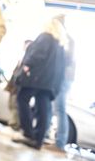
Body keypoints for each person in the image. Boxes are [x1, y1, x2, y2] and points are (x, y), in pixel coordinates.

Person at [13, 18, 66, 150]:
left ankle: (29, 133)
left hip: (37, 78)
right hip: (50, 83)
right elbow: (61, 69)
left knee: (22, 98)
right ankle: (38, 140)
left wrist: (27, 65)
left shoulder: (45, 37)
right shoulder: (60, 45)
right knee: (44, 108)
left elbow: (37, 54)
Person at [45, 14, 75, 153]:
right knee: (52, 108)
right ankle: (45, 136)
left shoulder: (66, 39)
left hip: (64, 78)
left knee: (60, 109)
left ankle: (60, 143)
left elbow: (66, 60)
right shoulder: (64, 38)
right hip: (61, 77)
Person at [5, 40, 33, 130]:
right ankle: (14, 123)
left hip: (20, 85)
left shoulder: (29, 58)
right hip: (14, 83)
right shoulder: (23, 57)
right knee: (11, 104)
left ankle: (14, 124)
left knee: (15, 105)